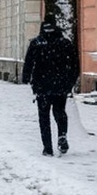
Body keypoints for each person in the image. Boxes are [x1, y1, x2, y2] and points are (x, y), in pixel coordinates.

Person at [22, 14, 80, 156]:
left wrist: (26, 78)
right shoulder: (64, 43)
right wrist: (70, 82)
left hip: (42, 86)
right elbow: (75, 64)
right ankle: (62, 135)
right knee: (60, 112)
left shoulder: (36, 43)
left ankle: (47, 148)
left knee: (44, 117)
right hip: (60, 85)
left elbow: (29, 63)